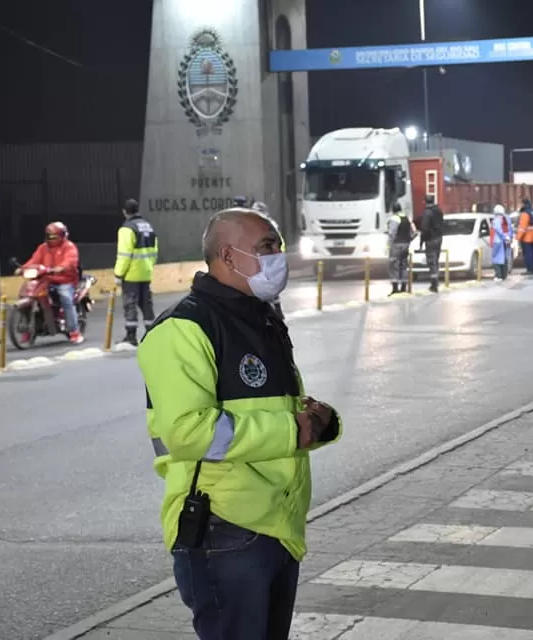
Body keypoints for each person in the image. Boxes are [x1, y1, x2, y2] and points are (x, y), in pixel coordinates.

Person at [136, 207, 342, 640]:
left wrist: (321, 423)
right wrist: (293, 430)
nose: (278, 256)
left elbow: (272, 409)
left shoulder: (259, 317)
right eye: (267, 246)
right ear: (228, 256)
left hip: (274, 524)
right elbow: (188, 431)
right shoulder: (184, 329)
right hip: (224, 529)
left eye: (278, 246)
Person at [19, 222, 83, 344]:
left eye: (55, 236)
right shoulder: (43, 248)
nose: (52, 239)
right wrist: (23, 268)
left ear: (62, 235)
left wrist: (61, 268)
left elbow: (71, 261)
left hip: (64, 280)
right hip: (45, 279)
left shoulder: (69, 247)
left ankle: (75, 332)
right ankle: (27, 330)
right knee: (27, 294)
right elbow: (34, 261)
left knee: (66, 300)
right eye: (50, 236)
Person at [115, 198, 159, 346]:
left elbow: (124, 254)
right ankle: (152, 333)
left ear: (124, 212)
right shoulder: (148, 226)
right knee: (146, 304)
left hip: (131, 274)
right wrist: (148, 266)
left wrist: (118, 273)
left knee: (130, 304)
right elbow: (155, 251)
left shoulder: (127, 228)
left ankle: (131, 336)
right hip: (146, 272)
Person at [251, 200, 287, 319]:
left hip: (267, 258)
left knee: (267, 285)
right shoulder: (269, 224)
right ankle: (275, 310)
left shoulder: (266, 225)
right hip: (266, 258)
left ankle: (274, 310)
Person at [387, 202, 415, 295]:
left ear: (393, 210)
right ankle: (403, 287)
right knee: (403, 265)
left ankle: (395, 288)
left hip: (396, 245)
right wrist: (409, 239)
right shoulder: (407, 218)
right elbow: (414, 232)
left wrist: (388, 245)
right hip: (406, 244)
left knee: (393, 265)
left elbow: (392, 233)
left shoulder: (394, 218)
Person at [419, 194, 444, 292]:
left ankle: (434, 285)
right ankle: (436, 281)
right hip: (439, 238)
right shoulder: (439, 211)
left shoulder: (427, 213)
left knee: (431, 261)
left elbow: (424, 228)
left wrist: (421, 242)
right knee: (436, 260)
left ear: (425, 201)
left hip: (430, 239)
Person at [515, 198, 533, 275]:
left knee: (528, 254)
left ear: (523, 204)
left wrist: (518, 237)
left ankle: (529, 270)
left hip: (527, 237)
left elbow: (523, 227)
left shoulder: (525, 213)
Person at [489, 204, 512, 281]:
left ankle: (498, 276)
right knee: (504, 259)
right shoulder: (507, 219)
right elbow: (510, 230)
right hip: (506, 241)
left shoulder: (496, 220)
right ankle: (504, 275)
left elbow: (498, 231)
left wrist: (503, 237)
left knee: (496, 259)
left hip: (498, 241)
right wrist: (508, 238)